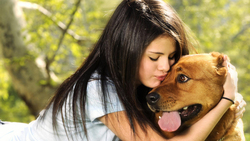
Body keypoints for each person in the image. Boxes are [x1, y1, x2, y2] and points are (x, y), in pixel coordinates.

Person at [0, 0, 246, 140]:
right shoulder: (100, 89)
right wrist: (226, 99)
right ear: (126, 51)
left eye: (171, 56)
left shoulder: (144, 88)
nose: (165, 66)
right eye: (154, 57)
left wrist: (225, 104)